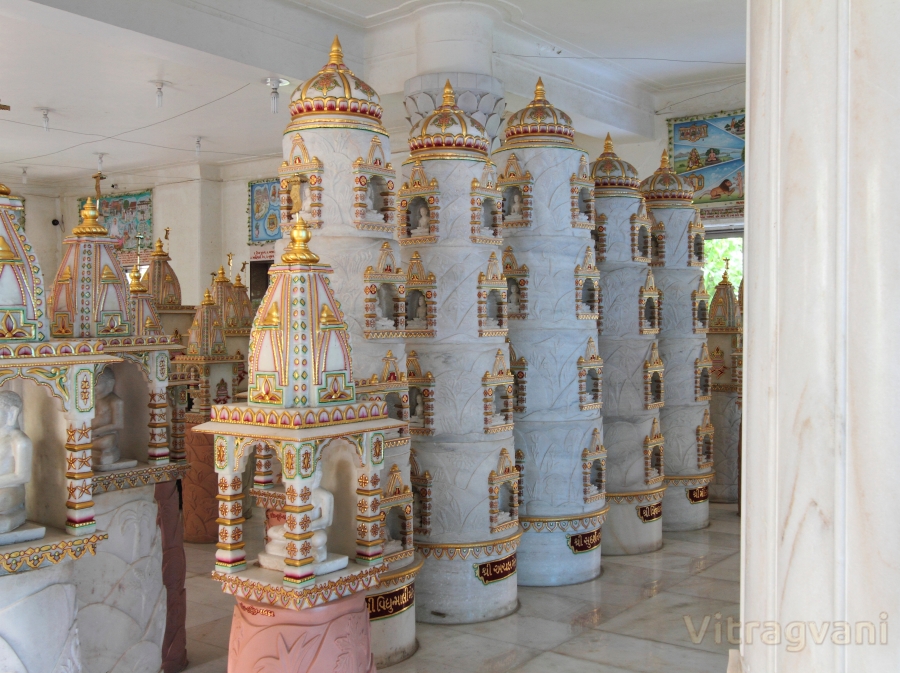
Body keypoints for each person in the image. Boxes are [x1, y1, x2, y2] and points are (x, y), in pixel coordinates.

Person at [0, 392, 32, 534]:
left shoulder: (20, 440)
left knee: (2, 499)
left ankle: (14, 516)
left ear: (12, 412)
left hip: (10, 490)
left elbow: (22, 476)